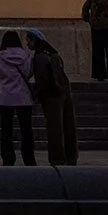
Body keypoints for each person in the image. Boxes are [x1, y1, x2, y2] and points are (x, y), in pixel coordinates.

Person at [25, 30, 77, 165]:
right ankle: (71, 157)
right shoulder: (54, 54)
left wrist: (35, 94)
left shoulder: (39, 57)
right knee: (68, 127)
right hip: (64, 92)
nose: (27, 44)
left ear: (35, 40)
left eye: (29, 41)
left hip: (51, 96)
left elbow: (42, 80)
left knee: (55, 130)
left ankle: (57, 159)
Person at [0, 29, 36, 166]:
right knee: (26, 129)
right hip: (23, 96)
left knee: (6, 129)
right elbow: (29, 73)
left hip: (5, 97)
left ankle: (8, 158)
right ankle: (28, 157)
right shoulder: (26, 56)